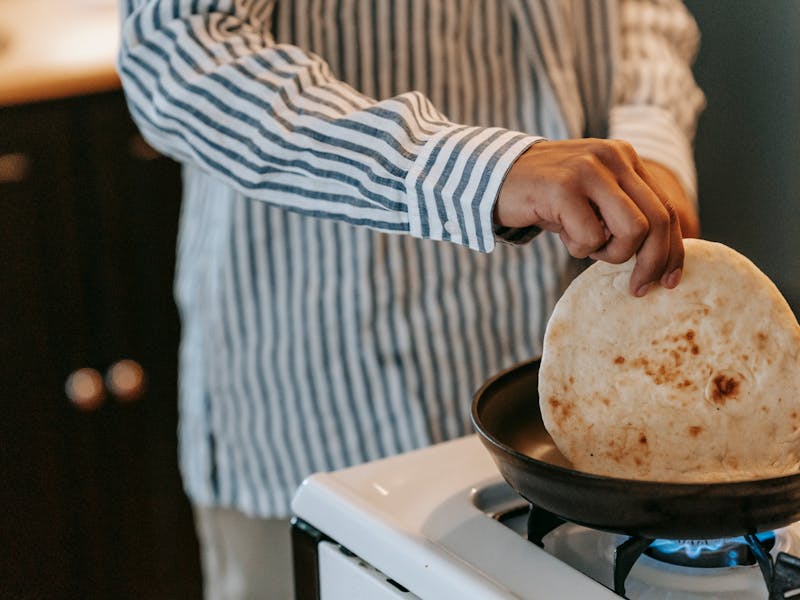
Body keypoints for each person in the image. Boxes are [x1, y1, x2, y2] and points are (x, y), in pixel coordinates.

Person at [116, 0, 705, 597]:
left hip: (561, 433)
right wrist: (478, 172)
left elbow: (640, 16)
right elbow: (180, 53)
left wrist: (646, 145)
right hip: (321, 410)